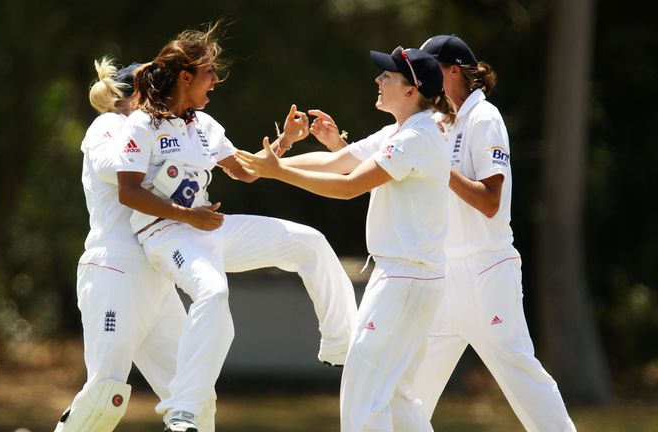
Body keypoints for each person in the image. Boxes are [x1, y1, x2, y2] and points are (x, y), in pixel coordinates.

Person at [113, 23, 358, 432]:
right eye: (209, 72)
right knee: (213, 292)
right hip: (165, 234)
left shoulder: (205, 125)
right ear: (185, 77)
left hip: (209, 227)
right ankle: (183, 412)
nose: (217, 79)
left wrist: (285, 143)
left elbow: (244, 172)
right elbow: (128, 192)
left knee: (309, 242)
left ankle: (343, 344)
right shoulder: (142, 126)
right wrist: (189, 216)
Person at [236, 46, 456, 431]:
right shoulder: (400, 132)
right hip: (410, 279)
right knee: (397, 397)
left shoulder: (415, 138)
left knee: (363, 392)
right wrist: (269, 164)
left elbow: (349, 187)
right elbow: (337, 161)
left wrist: (277, 172)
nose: (378, 80)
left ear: (411, 90)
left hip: (404, 281)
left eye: (387, 76)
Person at [408, 34, 577, 431]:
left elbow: (490, 201)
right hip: (445, 274)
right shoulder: (438, 122)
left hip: (486, 271)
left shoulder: (485, 118)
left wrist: (439, 167)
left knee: (519, 372)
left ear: (452, 72)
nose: (421, 82)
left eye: (429, 71)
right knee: (412, 385)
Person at [54, 58, 217, 431]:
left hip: (157, 275)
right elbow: (117, 169)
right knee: (106, 395)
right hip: (116, 268)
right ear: (140, 93)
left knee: (196, 399)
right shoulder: (109, 124)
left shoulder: (164, 131)